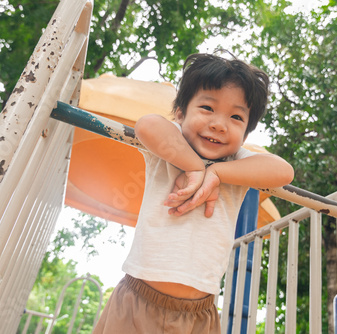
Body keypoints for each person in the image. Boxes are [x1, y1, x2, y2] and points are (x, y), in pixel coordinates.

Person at [92, 52, 294, 333]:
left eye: (236, 117)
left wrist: (217, 173)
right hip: (136, 300)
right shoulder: (169, 147)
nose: (219, 124)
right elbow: (147, 124)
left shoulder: (237, 163)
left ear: (246, 134)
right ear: (180, 113)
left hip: (200, 314)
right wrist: (193, 168)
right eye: (208, 108)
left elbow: (284, 171)